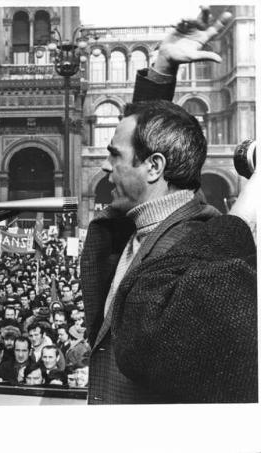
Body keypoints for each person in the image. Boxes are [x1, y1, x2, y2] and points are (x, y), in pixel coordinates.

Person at [82, 7, 256, 404]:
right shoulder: (140, 226)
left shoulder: (197, 247)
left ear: (155, 167)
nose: (105, 165)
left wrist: (245, 213)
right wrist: (161, 65)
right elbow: (147, 138)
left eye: (114, 155)